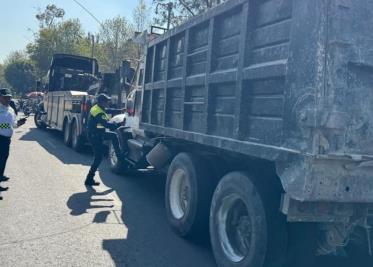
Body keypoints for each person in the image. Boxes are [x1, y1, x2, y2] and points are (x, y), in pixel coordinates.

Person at [85, 93, 123, 186]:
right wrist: (119, 124)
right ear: (101, 102)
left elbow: (109, 110)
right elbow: (107, 125)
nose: (108, 102)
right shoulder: (99, 112)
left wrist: (121, 110)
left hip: (97, 133)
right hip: (95, 135)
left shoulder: (97, 107)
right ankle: (120, 156)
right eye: (106, 101)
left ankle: (89, 179)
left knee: (113, 137)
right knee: (98, 157)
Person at [0, 88, 27, 195]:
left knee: (2, 161)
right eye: (5, 97)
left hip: (6, 140)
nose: (8, 99)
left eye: (9, 97)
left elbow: (14, 124)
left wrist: (19, 123)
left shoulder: (10, 109)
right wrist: (8, 126)